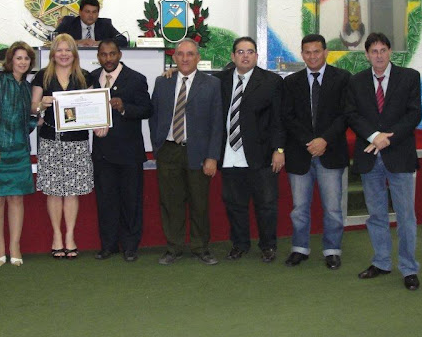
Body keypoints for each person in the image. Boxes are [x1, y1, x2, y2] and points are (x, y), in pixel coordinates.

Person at [345, 32, 421, 291]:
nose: (379, 55)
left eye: (383, 50)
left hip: (399, 155)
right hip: (369, 158)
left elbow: (414, 114)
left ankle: (409, 268)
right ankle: (381, 262)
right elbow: (352, 115)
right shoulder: (356, 81)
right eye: (374, 51)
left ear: (390, 52)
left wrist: (388, 138)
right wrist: (374, 136)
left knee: (406, 216)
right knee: (376, 214)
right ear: (367, 55)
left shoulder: (409, 77)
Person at [149, 38, 223, 265]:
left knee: (199, 203)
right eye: (180, 54)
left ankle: (201, 248)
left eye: (190, 54)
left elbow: (217, 123)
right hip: (169, 151)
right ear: (174, 57)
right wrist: (157, 146)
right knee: (171, 203)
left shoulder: (212, 84)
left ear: (198, 58)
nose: (185, 58)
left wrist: (212, 157)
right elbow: (154, 116)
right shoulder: (162, 82)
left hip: (198, 152)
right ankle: (174, 247)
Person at [283, 34, 351, 269]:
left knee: (332, 208)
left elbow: (346, 115)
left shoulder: (342, 78)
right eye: (307, 52)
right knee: (299, 209)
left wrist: (324, 140)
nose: (312, 56)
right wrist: (309, 141)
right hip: (299, 154)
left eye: (317, 51)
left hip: (331, 153)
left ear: (325, 52)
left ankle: (332, 250)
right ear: (302, 54)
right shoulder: (291, 82)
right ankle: (299, 248)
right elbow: (288, 117)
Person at [215, 37, 285, 263]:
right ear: (233, 56)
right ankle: (240, 244)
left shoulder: (271, 81)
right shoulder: (219, 80)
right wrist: (172, 70)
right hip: (229, 153)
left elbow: (278, 119)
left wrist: (279, 149)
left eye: (250, 51)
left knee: (266, 205)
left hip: (261, 154)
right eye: (240, 52)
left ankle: (268, 246)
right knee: (235, 205)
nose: (245, 56)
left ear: (256, 55)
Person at [31, 34, 94, 259]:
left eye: (68, 50)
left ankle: (70, 236)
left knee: (73, 191)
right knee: (54, 191)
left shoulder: (85, 76)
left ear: (74, 53)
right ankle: (57, 236)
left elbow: (92, 109)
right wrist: (41, 104)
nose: (64, 54)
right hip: (51, 140)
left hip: (77, 141)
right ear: (53, 54)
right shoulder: (42, 76)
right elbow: (32, 109)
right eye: (59, 50)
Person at [91, 39, 153, 262]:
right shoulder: (91, 77)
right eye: (103, 54)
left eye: (112, 54)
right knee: (105, 201)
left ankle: (130, 246)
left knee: (131, 201)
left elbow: (147, 109)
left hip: (129, 153)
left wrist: (124, 107)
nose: (108, 58)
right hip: (102, 153)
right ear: (98, 56)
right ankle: (108, 245)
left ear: (119, 55)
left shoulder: (136, 78)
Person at [0, 41, 37, 267]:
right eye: (18, 58)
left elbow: (27, 122)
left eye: (27, 58)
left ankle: (15, 246)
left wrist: (40, 117)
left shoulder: (28, 88)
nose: (23, 62)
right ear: (10, 60)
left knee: (16, 198)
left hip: (19, 151)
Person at [55, 0, 128, 48]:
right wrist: (77, 42)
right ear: (80, 12)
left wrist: (99, 43)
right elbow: (53, 39)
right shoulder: (69, 22)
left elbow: (122, 41)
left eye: (94, 12)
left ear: (98, 13)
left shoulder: (105, 24)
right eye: (87, 12)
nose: (91, 15)